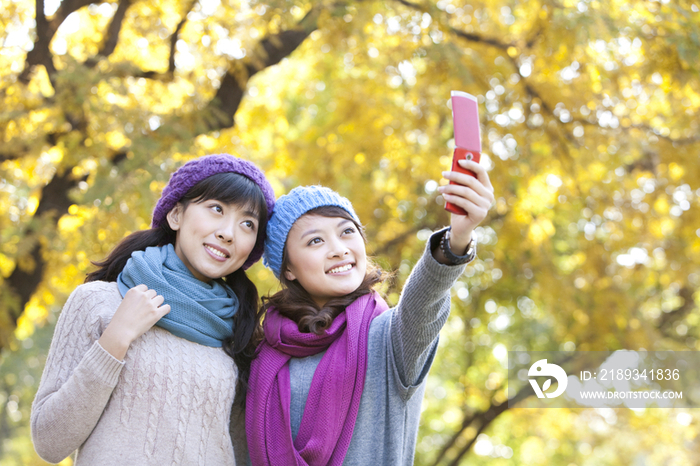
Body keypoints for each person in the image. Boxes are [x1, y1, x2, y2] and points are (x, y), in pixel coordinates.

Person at [244, 159, 494, 465]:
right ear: (289, 269)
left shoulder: (389, 338)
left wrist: (457, 239)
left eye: (347, 231)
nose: (338, 248)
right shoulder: (262, 354)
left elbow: (423, 303)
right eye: (315, 240)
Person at [31, 154, 275, 465]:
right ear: (176, 215)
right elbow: (49, 442)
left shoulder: (240, 333)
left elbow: (243, 453)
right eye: (217, 209)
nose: (229, 232)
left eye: (247, 224)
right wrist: (115, 339)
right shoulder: (99, 301)